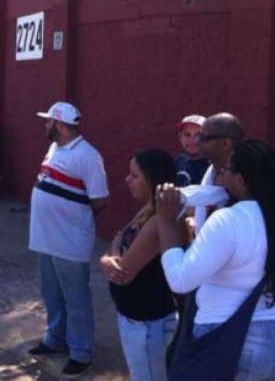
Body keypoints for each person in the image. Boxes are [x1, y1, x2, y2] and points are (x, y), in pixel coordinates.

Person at [156, 139, 275, 380]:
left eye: (226, 171)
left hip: (231, 342)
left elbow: (180, 280)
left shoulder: (227, 221)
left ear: (241, 181)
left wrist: (167, 221)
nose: (221, 176)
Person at [28, 101, 109, 378]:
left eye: (48, 121)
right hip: (46, 239)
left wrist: (74, 218)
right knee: (51, 294)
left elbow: (100, 200)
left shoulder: (88, 156)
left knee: (76, 299)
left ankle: (81, 353)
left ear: (60, 125)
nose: (45, 125)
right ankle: (55, 339)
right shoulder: (55, 147)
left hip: (69, 241)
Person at [99, 150, 182, 381]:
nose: (127, 180)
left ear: (152, 179)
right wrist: (109, 256)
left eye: (134, 176)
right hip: (138, 320)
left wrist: (107, 260)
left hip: (146, 325)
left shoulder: (157, 221)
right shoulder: (148, 209)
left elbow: (123, 273)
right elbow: (118, 237)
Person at [191, 112, 245, 231]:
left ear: (225, 143)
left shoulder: (247, 178)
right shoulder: (210, 172)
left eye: (203, 138)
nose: (197, 142)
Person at [174, 115, 209, 187]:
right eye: (187, 135)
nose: (192, 141)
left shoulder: (214, 167)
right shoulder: (178, 162)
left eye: (198, 135)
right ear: (180, 137)